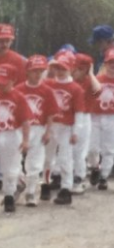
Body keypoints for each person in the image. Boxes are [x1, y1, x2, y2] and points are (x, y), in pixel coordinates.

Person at [0, 64, 32, 213]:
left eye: (5, 82)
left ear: (13, 80)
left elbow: (25, 121)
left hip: (12, 133)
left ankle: (9, 196)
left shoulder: (19, 97)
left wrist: (25, 140)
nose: (1, 85)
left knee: (11, 168)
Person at [14, 54, 59, 206]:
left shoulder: (46, 90)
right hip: (20, 128)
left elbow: (51, 113)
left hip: (38, 127)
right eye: (34, 71)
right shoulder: (19, 89)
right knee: (13, 159)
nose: (37, 74)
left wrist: (48, 131)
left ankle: (31, 192)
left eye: (41, 71)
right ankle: (19, 181)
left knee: (36, 161)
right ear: (27, 71)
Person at [44, 53, 85, 204]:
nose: (60, 71)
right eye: (58, 68)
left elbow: (79, 112)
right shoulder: (49, 84)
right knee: (48, 157)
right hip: (50, 126)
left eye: (64, 68)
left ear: (71, 69)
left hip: (66, 127)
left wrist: (76, 132)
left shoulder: (76, 89)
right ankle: (45, 184)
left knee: (65, 158)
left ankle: (66, 189)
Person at [71, 53, 101, 193]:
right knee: (67, 150)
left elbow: (98, 90)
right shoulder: (70, 80)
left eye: (81, 69)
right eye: (75, 68)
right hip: (69, 118)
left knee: (80, 150)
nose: (76, 71)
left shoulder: (89, 81)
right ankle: (66, 178)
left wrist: (91, 73)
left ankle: (79, 178)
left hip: (83, 117)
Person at [87, 48, 114, 190]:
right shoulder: (98, 80)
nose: (113, 65)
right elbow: (89, 96)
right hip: (95, 115)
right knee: (92, 147)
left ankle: (103, 176)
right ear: (106, 64)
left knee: (109, 148)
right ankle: (95, 167)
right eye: (110, 62)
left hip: (111, 117)